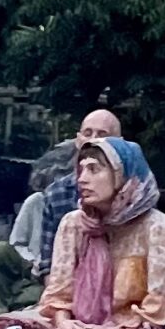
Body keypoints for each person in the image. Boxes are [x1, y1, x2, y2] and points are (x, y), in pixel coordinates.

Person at [0, 137, 165, 329]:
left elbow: (160, 310)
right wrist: (64, 326)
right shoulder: (73, 224)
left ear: (122, 175)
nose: (82, 179)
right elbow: (58, 296)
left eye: (94, 169)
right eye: (81, 169)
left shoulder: (155, 226)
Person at [31, 108, 126, 282]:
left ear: (119, 143)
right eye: (87, 133)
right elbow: (48, 265)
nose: (93, 140)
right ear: (77, 140)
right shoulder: (56, 195)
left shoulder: (135, 196)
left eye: (102, 134)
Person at [0, 140, 75, 312]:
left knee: (33, 295)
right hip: (30, 264)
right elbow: (16, 242)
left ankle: (23, 302)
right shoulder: (35, 202)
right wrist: (31, 262)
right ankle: (4, 305)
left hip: (59, 273)